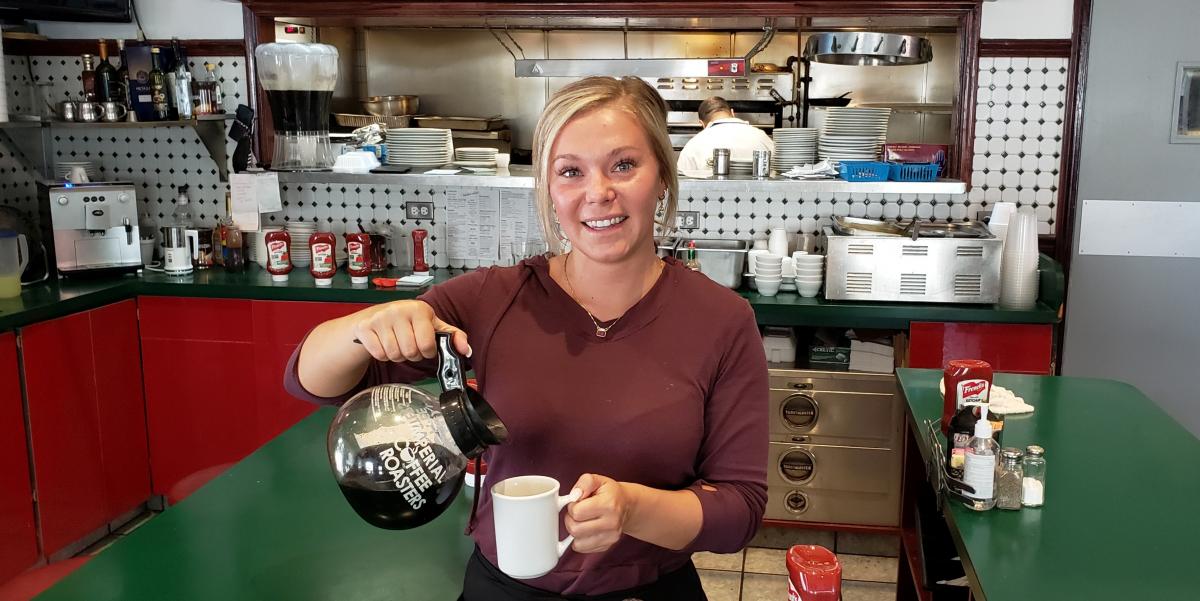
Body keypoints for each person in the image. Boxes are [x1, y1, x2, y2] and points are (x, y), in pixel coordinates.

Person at [284, 76, 767, 600]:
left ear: (662, 178)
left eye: (623, 165)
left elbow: (739, 510)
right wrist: (362, 329)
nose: (598, 192)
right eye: (570, 171)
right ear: (549, 190)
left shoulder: (721, 319)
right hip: (504, 589)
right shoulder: (492, 299)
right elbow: (310, 381)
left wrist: (634, 510)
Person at [676, 96, 775, 172]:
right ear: (732, 113)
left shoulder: (693, 145)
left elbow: (683, 184)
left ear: (701, 124)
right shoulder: (762, 137)